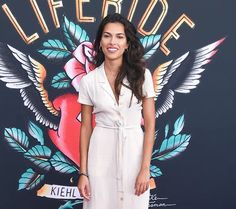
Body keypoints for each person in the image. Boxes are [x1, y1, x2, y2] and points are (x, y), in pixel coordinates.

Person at [77, 13, 156, 209]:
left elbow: (150, 123)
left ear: (128, 43)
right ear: (100, 42)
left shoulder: (143, 76)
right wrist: (83, 173)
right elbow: (86, 127)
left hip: (134, 154)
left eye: (120, 37)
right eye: (107, 36)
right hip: (100, 155)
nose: (113, 42)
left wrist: (145, 168)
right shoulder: (89, 81)